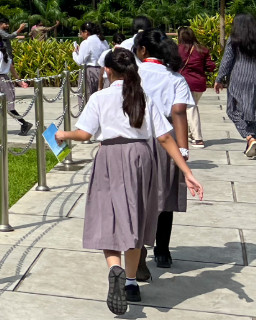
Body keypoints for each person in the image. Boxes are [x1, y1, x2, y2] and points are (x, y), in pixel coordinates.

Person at [56, 48, 203, 314]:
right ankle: (132, 283)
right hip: (141, 158)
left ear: (108, 71)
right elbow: (165, 138)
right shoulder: (142, 97)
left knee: (107, 216)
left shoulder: (100, 97)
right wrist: (187, 172)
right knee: (137, 216)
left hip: (110, 157)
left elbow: (85, 133)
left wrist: (63, 134)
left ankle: (115, 269)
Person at [134, 29, 195, 273]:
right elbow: (179, 112)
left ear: (143, 50)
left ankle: (137, 250)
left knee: (137, 198)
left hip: (136, 140)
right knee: (165, 198)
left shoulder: (132, 74)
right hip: (167, 141)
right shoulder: (175, 78)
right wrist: (183, 150)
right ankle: (163, 250)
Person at [214, 13, 256, 159]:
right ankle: (251, 142)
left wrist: (219, 78)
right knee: (255, 110)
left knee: (232, 110)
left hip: (238, 77)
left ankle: (250, 137)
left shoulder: (234, 39)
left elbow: (227, 60)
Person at [177, 27, 216, 148]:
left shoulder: (178, 50)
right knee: (189, 107)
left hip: (183, 83)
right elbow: (211, 66)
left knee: (190, 108)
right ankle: (190, 134)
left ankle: (198, 138)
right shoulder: (202, 49)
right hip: (199, 84)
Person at [73, 22, 110, 103]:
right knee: (99, 97)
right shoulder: (104, 41)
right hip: (103, 70)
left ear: (86, 32)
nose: (81, 35)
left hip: (90, 70)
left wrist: (74, 53)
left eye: (81, 32)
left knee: (86, 95)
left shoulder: (86, 42)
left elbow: (80, 61)